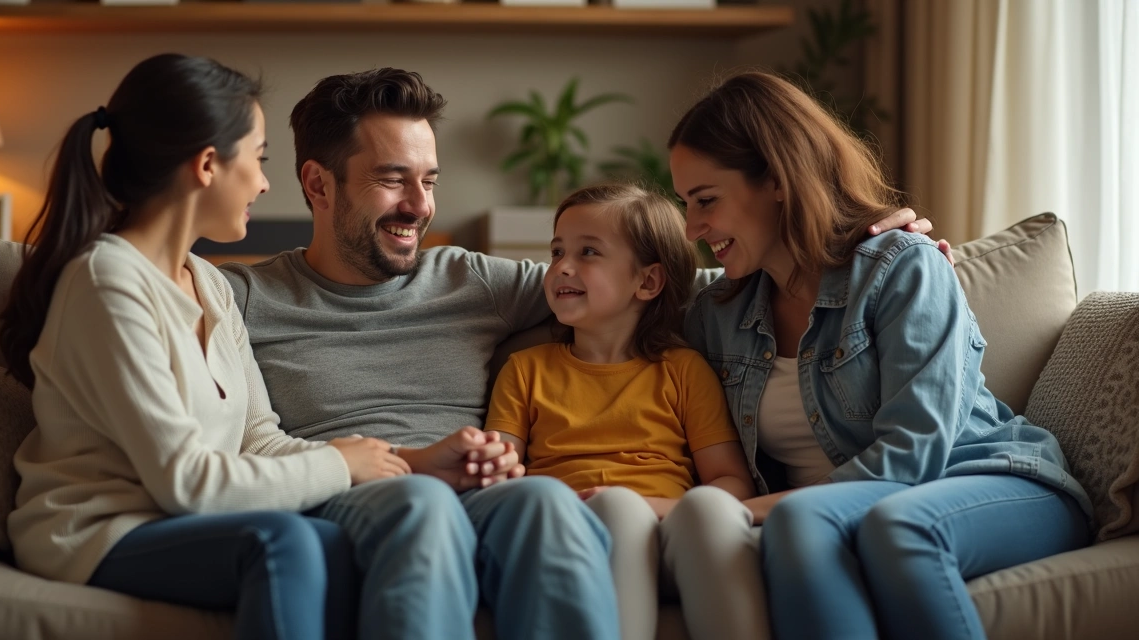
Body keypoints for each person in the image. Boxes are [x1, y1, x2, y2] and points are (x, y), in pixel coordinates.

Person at [218, 67, 944, 639]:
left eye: (429, 180)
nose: (418, 205)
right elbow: (226, 435)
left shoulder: (472, 279)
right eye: (390, 180)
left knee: (537, 497)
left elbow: (646, 284)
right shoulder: (238, 300)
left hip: (489, 499)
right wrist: (397, 461)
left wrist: (841, 248)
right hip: (364, 494)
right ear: (317, 183)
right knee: (421, 502)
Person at [0, 54, 410, 640]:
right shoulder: (106, 282)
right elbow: (186, 482)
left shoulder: (211, 282)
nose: (267, 182)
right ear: (209, 164)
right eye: (260, 159)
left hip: (174, 521)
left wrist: (386, 460)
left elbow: (257, 436)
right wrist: (337, 465)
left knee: (334, 538)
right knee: (282, 541)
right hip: (97, 531)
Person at [673, 71, 1093, 640]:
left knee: (875, 527)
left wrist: (747, 511)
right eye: (685, 204)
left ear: (776, 178)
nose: (693, 227)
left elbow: (913, 453)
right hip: (824, 517)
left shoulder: (900, 267)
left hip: (992, 479)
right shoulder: (716, 312)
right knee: (799, 525)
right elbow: (609, 288)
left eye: (706, 201)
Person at [483, 182, 769, 640]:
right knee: (617, 509)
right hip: (573, 531)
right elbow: (500, 477)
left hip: (668, 530)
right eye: (557, 252)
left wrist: (655, 506)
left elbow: (730, 480)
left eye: (588, 252)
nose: (561, 268)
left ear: (648, 281)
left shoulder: (682, 370)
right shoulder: (525, 370)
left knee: (711, 509)